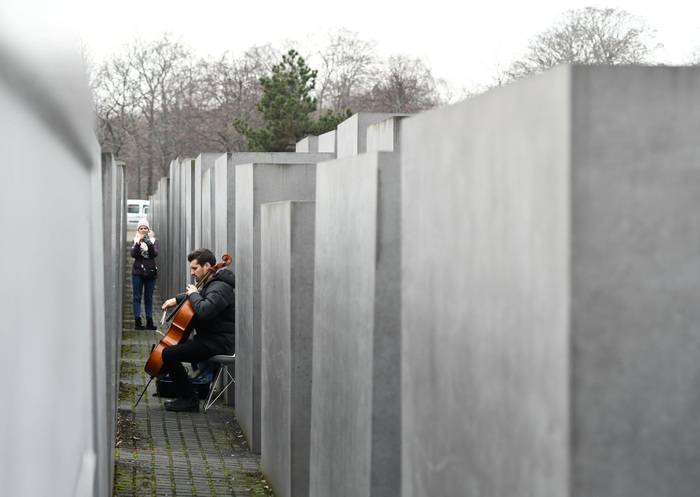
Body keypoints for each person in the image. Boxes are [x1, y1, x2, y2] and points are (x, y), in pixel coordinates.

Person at [160, 248, 235, 412]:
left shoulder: (220, 288)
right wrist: (176, 299)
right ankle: (185, 392)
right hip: (209, 339)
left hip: (219, 343)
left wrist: (193, 294)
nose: (192, 273)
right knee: (171, 346)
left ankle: (189, 399)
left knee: (169, 354)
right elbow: (202, 293)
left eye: (195, 268)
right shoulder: (212, 284)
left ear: (207, 266)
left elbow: (204, 310)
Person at [131, 218, 159, 330]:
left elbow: (154, 254)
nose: (143, 230)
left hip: (150, 272)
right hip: (137, 272)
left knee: (149, 297)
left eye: (145, 228)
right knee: (137, 297)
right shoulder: (134, 240)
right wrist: (138, 243)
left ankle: (149, 320)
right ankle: (138, 321)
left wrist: (148, 242)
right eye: (141, 228)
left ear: (148, 229)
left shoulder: (154, 241)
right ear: (138, 230)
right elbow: (133, 254)